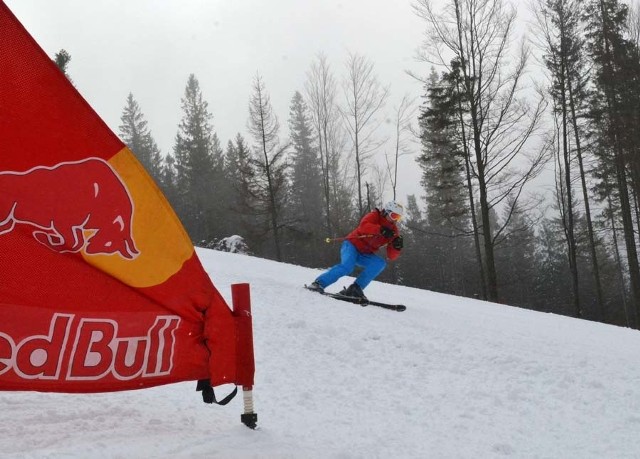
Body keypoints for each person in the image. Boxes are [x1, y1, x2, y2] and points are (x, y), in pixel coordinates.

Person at [308, 200, 404, 300]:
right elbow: (363, 226)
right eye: (394, 216)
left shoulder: (393, 231)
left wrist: (396, 247)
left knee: (379, 263)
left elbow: (391, 256)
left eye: (398, 217)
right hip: (351, 245)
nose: (395, 220)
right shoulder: (375, 215)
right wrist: (380, 229)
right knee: (347, 267)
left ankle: (355, 288)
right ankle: (318, 283)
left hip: (365, 254)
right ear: (386, 212)